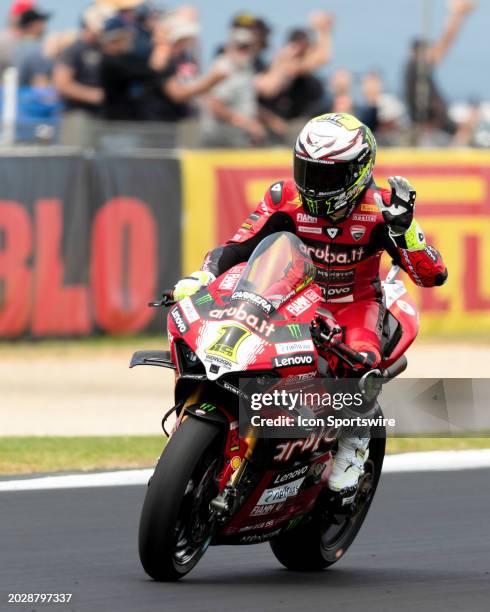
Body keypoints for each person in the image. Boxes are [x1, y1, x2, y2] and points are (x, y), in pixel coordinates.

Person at [173, 113, 448, 500]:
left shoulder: (385, 208)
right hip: (287, 294)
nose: (314, 185)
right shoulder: (282, 196)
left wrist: (406, 234)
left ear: (359, 172)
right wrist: (202, 277)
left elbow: (431, 275)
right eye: (307, 170)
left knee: (363, 363)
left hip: (354, 305)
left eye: (327, 176)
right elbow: (236, 248)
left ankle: (353, 448)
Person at [404, 0, 477, 143]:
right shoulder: (414, 67)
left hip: (436, 129)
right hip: (430, 134)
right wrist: (456, 15)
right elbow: (443, 44)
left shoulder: (417, 72)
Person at [12, 6, 52, 87]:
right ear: (32, 25)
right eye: (41, 22)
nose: (44, 26)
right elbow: (41, 83)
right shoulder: (36, 49)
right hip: (33, 97)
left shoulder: (18, 47)